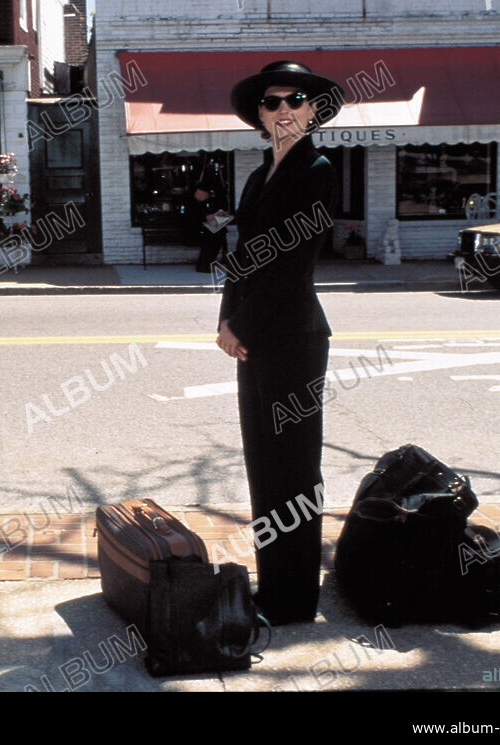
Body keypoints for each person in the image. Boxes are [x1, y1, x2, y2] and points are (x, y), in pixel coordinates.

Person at [215, 60, 341, 625]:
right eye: (272, 102)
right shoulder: (257, 174)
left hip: (294, 337)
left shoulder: (316, 169)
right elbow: (243, 256)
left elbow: (293, 262)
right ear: (260, 117)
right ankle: (273, 591)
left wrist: (243, 324)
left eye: (296, 99)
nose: (284, 110)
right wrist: (227, 320)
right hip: (255, 337)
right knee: (264, 465)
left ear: (313, 110)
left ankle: (295, 599)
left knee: (293, 468)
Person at [191, 154, 230, 272]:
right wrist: (206, 214)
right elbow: (199, 197)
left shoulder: (218, 179)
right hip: (213, 214)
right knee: (212, 241)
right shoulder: (208, 179)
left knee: (216, 240)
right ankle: (204, 265)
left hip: (220, 213)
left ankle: (206, 264)